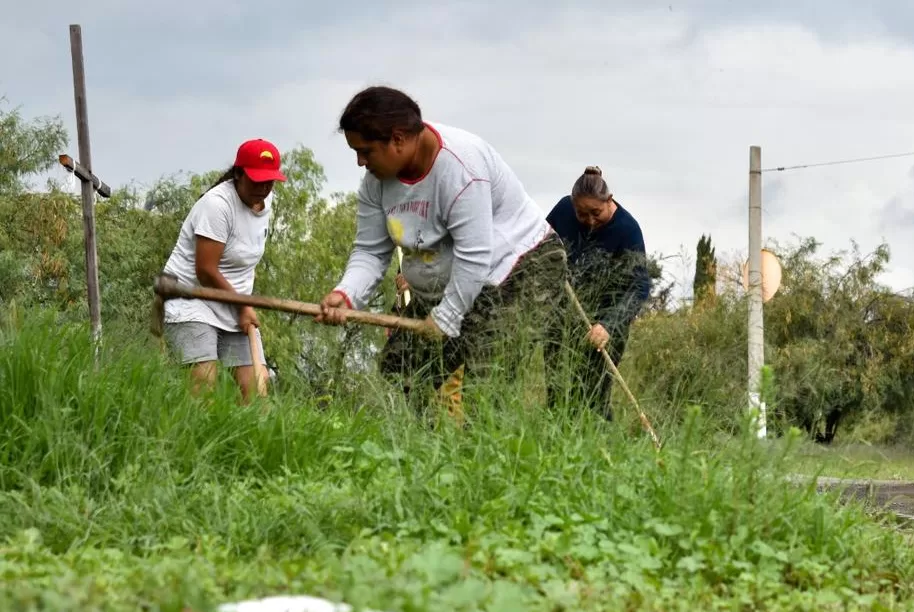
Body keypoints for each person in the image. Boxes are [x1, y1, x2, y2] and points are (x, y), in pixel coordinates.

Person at [316, 85, 567, 411]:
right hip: (452, 277)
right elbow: (370, 250)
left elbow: (474, 255)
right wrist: (346, 294)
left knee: (485, 386)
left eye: (365, 151)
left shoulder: (462, 169)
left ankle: (483, 458)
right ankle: (418, 456)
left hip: (518, 268)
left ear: (398, 139)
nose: (360, 161)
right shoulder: (375, 183)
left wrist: (447, 318)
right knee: (402, 371)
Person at [159, 138, 287, 403]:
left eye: (269, 181)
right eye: (256, 180)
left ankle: (251, 444)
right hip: (191, 299)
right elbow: (205, 270)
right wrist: (242, 305)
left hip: (232, 302)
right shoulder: (217, 206)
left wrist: (240, 304)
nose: (263, 188)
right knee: (203, 389)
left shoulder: (264, 200)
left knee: (257, 395)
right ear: (238, 173)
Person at [544, 166, 652, 421]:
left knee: (592, 398)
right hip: (562, 316)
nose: (590, 220)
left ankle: (602, 452)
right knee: (557, 393)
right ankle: (554, 450)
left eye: (596, 212)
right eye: (582, 214)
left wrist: (609, 325)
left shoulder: (628, 229)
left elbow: (639, 286)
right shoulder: (562, 210)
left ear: (609, 200)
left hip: (604, 324)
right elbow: (541, 245)